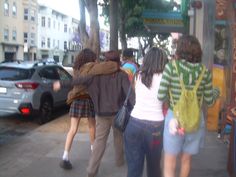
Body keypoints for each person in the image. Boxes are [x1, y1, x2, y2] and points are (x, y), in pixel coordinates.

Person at [53, 50, 135, 177]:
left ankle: (91, 170)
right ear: (118, 61)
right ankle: (119, 160)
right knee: (118, 136)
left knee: (99, 142)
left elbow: (76, 81)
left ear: (105, 61)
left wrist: (60, 84)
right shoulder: (122, 75)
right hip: (118, 113)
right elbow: (130, 96)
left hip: (101, 114)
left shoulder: (94, 75)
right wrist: (134, 109)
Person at [157, 35, 220, 177]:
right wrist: (217, 91)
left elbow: (160, 96)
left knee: (170, 161)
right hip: (195, 120)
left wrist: (172, 97)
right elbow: (209, 101)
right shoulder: (205, 72)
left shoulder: (171, 67)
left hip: (175, 120)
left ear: (180, 50)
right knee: (186, 159)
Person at [59, 48, 119, 170]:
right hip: (88, 99)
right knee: (92, 127)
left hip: (76, 99)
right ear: (91, 58)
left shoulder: (77, 68)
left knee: (73, 129)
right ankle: (93, 154)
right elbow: (111, 67)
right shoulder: (92, 67)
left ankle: (65, 156)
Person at [124, 47, 168, 177]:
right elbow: (166, 103)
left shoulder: (138, 75)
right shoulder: (165, 78)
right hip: (155, 129)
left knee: (133, 169)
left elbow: (136, 94)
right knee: (154, 168)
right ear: (162, 61)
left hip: (134, 124)